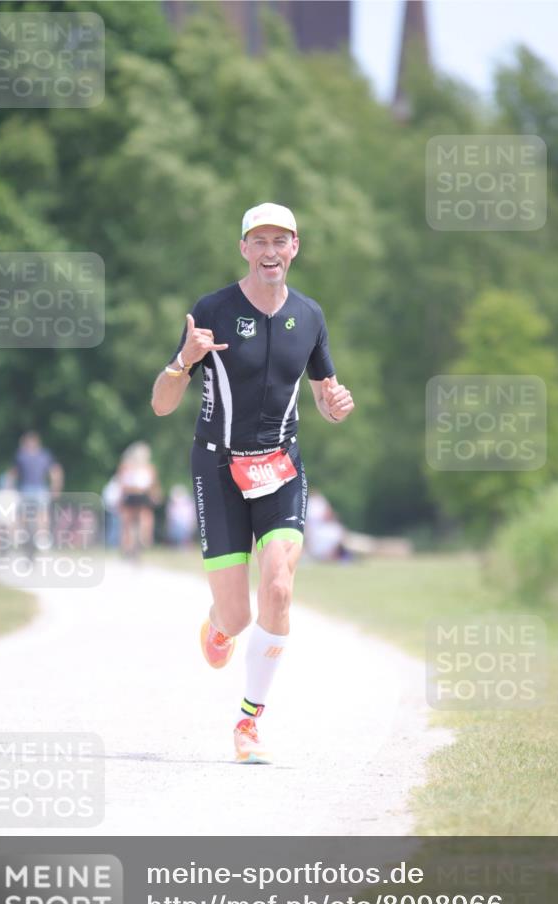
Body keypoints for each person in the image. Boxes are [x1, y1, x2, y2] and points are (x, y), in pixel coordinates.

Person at [151, 203, 354, 763]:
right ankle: (219, 626)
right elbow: (163, 405)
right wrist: (182, 363)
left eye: (280, 241)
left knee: (281, 589)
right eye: (259, 241)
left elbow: (326, 396)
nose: (270, 251)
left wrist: (337, 403)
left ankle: (248, 723)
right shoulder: (212, 309)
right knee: (239, 617)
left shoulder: (310, 316)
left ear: (295, 247)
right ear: (244, 248)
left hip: (281, 467)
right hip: (217, 468)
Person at [116, 442, 161, 557]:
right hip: (130, 496)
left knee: (145, 519)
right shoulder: (126, 467)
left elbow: (153, 485)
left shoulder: (150, 468)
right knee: (127, 522)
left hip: (142, 497)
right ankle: (127, 547)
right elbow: (122, 484)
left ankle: (141, 543)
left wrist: (155, 495)